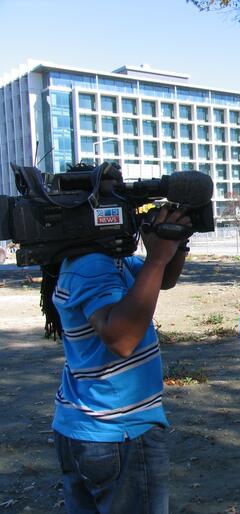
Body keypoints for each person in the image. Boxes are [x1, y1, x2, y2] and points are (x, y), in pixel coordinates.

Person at [49, 200, 193, 514]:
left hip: (91, 426)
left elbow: (162, 280)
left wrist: (176, 243)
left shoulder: (111, 259)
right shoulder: (92, 264)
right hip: (118, 432)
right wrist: (156, 258)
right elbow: (121, 338)